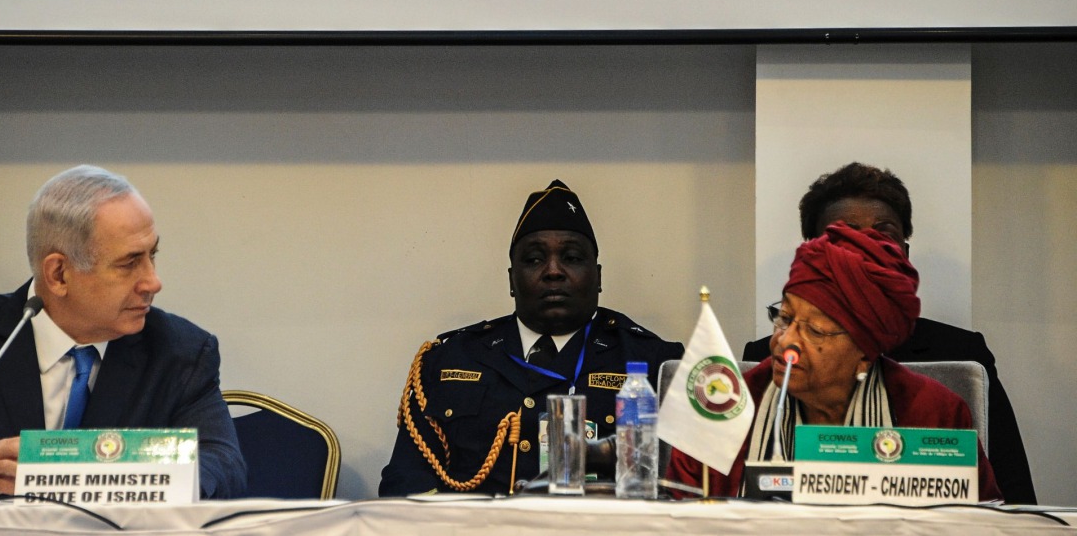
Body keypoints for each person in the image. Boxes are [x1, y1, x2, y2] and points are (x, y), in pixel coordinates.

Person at [0, 165, 246, 499]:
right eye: (130, 263)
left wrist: (140, 481)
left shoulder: (181, 352)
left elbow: (224, 465)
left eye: (152, 255)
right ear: (58, 274)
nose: (153, 281)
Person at [741, 162, 1035, 503]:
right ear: (814, 254)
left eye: (883, 236)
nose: (864, 252)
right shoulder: (764, 367)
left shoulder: (952, 371)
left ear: (905, 255)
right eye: (843, 237)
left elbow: (1011, 507)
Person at [379, 179, 685, 496]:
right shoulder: (451, 359)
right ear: (512, 281)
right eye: (534, 259)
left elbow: (683, 487)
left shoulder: (652, 364)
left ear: (599, 278)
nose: (553, 271)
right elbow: (404, 481)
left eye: (572, 258)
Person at [672, 223, 1001, 501]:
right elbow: (676, 518)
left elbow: (979, 525)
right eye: (784, 318)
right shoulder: (722, 409)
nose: (784, 341)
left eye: (815, 330)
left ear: (864, 354)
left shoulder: (932, 413)